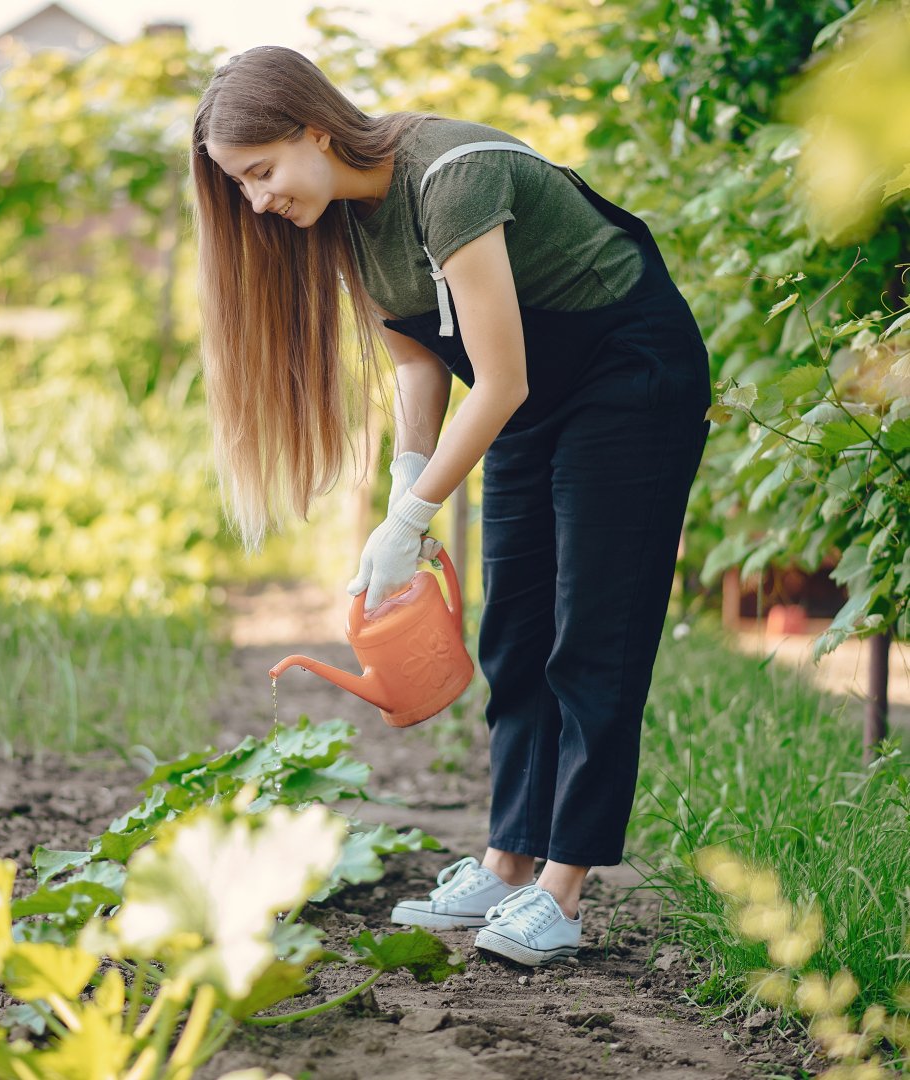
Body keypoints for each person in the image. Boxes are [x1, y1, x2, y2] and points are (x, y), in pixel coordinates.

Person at [192, 46, 710, 967]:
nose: (258, 200)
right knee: (513, 630)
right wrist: (405, 486)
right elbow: (419, 361)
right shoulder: (340, 223)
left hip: (629, 372)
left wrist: (413, 519)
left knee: (591, 630)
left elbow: (498, 377)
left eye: (262, 172)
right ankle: (508, 861)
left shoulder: (452, 178)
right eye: (240, 186)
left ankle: (563, 888)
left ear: (315, 128)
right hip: (528, 394)